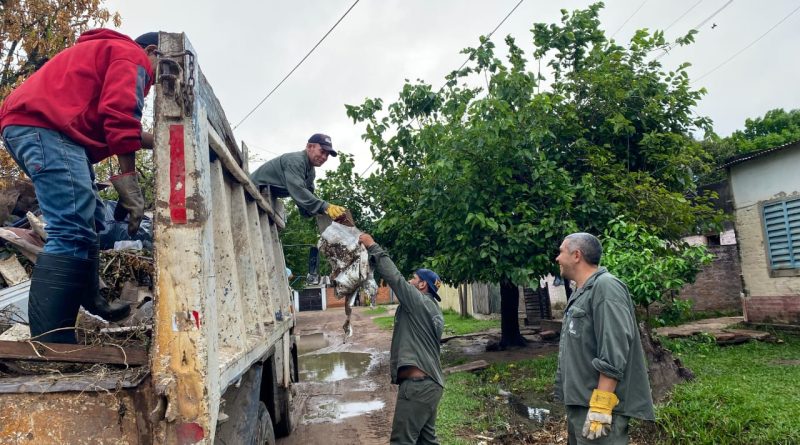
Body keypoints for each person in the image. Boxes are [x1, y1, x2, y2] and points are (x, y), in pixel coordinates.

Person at [0, 29, 161, 343]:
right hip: (45, 128)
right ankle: (52, 344)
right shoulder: (133, 56)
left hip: (44, 128)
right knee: (71, 228)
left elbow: (111, 120)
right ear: (152, 50)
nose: (151, 86)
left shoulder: (104, 54)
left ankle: (92, 297)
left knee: (88, 223)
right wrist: (129, 183)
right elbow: (121, 117)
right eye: (157, 72)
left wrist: (161, 139)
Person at [554, 233, 655, 444]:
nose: (557, 258)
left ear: (576, 255)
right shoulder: (580, 291)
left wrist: (601, 407)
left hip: (600, 407)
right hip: (580, 404)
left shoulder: (606, 287)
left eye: (561, 251)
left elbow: (614, 348)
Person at [358, 233, 445, 445]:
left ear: (422, 285)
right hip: (431, 386)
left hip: (417, 386)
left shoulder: (418, 302)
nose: (409, 281)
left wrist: (372, 246)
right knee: (426, 441)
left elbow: (394, 277)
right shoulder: (434, 310)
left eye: (414, 278)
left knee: (401, 442)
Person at [249, 133, 346, 220]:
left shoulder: (311, 172)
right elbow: (298, 190)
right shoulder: (296, 161)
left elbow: (306, 199)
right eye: (322, 152)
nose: (324, 157)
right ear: (309, 146)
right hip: (250, 190)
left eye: (327, 155)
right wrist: (326, 207)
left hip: (263, 197)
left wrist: (323, 213)